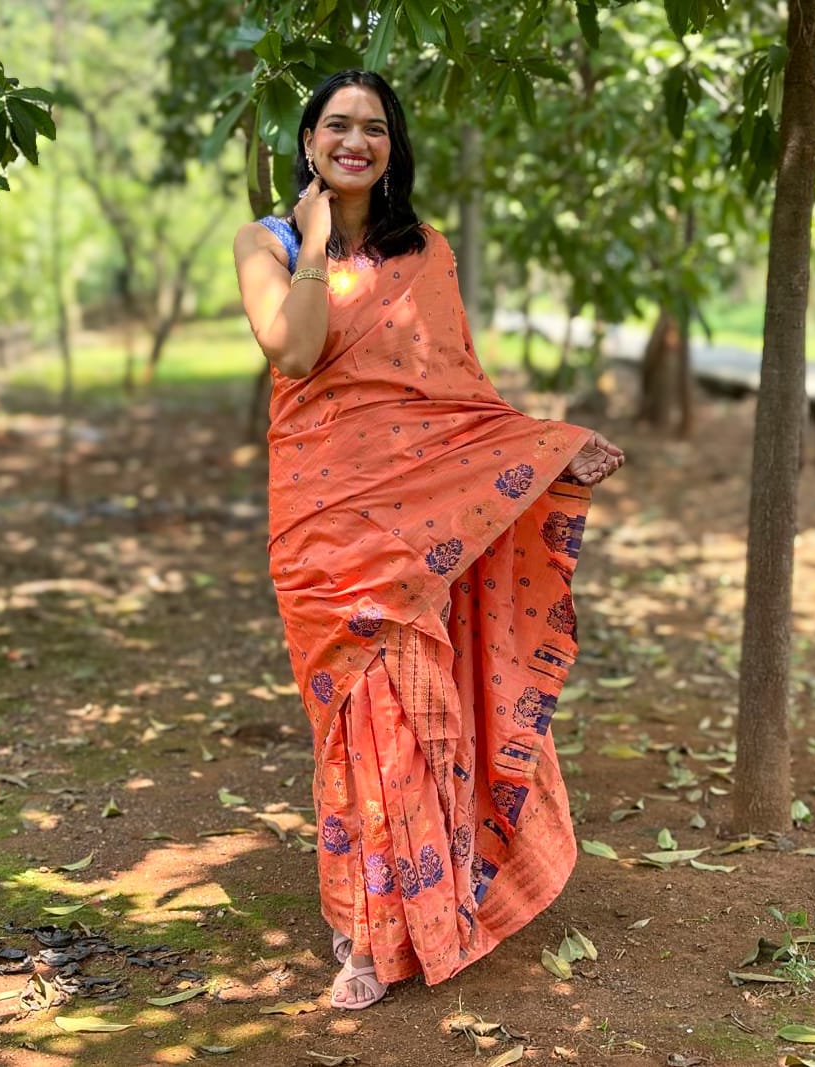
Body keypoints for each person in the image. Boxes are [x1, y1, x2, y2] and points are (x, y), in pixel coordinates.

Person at [233, 69, 624, 1011]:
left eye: (374, 127)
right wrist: (319, 244)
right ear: (310, 140)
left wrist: (549, 446)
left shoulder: (427, 254)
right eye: (337, 125)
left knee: (421, 713)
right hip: (322, 528)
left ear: (394, 146)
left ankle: (423, 913)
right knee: (355, 726)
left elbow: (453, 400)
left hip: (409, 527)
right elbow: (290, 351)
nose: (355, 141)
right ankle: (365, 931)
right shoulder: (269, 242)